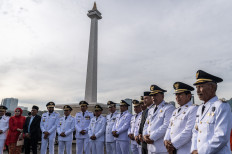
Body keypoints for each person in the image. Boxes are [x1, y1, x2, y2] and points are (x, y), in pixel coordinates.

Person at [191, 70, 232, 154]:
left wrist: (201, 152)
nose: (198, 91)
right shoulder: (200, 108)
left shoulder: (221, 106)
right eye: (197, 87)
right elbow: (195, 132)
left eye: (201, 86)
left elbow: (221, 136)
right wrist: (193, 150)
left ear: (212, 87)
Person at [164, 82, 198, 154]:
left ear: (188, 96)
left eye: (180, 94)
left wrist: (172, 144)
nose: (177, 97)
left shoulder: (193, 109)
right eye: (176, 94)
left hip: (185, 150)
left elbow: (188, 131)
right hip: (173, 149)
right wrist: (166, 140)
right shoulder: (175, 111)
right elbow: (169, 127)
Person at [143, 85, 175, 154]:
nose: (153, 98)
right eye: (152, 96)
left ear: (162, 96)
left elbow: (166, 126)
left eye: (156, 95)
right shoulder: (151, 110)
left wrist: (152, 137)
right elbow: (146, 124)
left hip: (161, 148)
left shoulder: (168, 108)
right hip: (150, 147)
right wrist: (144, 136)